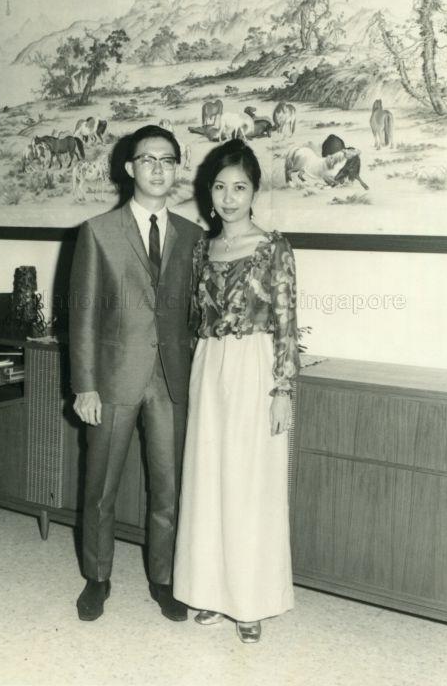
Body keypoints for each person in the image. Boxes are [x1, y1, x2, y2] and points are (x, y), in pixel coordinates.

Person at [69, 124, 202, 622]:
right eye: (148, 159)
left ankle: (164, 580)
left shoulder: (193, 236)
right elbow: (82, 314)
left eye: (167, 160)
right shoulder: (98, 231)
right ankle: (97, 578)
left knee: (169, 487)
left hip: (171, 380)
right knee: (100, 486)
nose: (158, 169)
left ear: (177, 168)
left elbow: (197, 315)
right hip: (113, 379)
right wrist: (84, 385)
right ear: (129, 168)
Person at [173, 138, 299, 643]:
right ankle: (210, 592)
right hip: (209, 365)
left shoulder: (273, 247)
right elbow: (193, 317)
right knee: (208, 480)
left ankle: (250, 602)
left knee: (250, 484)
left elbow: (287, 322)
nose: (229, 198)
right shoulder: (202, 248)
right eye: (220, 187)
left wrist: (283, 388)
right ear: (210, 192)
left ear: (254, 192)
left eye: (239, 188)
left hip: (255, 366)